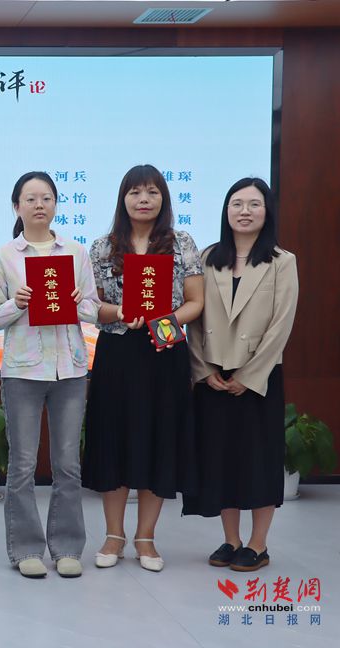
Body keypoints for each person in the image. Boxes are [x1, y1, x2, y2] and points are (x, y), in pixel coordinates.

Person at [82, 164, 204, 573]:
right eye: (135, 192)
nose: (144, 200)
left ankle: (146, 537)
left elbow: (196, 301)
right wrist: (118, 311)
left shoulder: (181, 243)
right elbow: (92, 306)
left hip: (164, 352)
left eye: (152, 192)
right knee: (114, 438)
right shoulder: (102, 247)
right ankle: (113, 535)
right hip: (117, 353)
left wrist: (164, 321)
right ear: (123, 199)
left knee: (159, 439)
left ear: (163, 199)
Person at [0, 172, 100, 578]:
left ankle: (67, 547)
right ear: (16, 206)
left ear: (55, 204)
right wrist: (15, 303)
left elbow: (93, 309)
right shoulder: (4, 256)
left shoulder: (76, 252)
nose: (39, 205)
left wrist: (78, 302)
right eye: (30, 198)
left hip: (70, 369)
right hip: (23, 371)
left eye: (46, 197)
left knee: (68, 464)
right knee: (22, 464)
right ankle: (26, 549)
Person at [183, 178, 298, 572]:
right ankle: (231, 540)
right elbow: (194, 319)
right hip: (214, 375)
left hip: (259, 378)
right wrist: (203, 370)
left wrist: (249, 376)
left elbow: (281, 325)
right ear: (226, 210)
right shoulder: (207, 257)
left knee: (259, 460)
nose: (245, 211)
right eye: (237, 203)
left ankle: (258, 544)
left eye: (254, 204)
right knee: (221, 459)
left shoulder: (282, 261)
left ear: (267, 211)